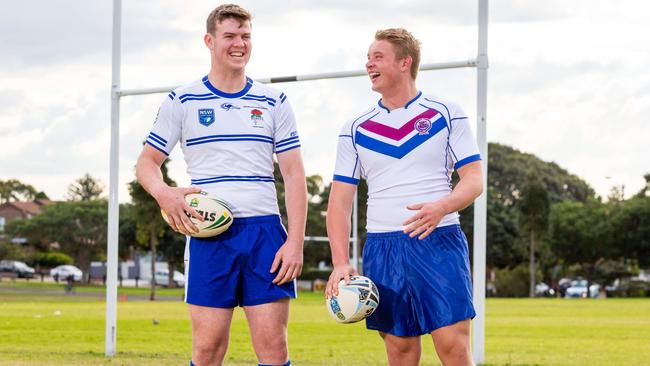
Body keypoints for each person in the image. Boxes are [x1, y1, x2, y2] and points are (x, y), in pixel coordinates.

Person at [135, 4, 307, 366]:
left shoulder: (273, 100)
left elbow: (293, 175)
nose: (239, 44)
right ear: (210, 41)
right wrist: (165, 194)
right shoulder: (182, 100)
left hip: (265, 235)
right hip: (209, 237)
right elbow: (147, 164)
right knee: (208, 349)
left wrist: (295, 242)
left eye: (245, 36)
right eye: (230, 36)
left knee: (274, 349)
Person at [325, 28, 483, 366]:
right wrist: (340, 261)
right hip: (384, 247)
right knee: (400, 350)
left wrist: (442, 206)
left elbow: (474, 180)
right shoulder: (355, 128)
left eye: (377, 57)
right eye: (368, 58)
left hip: (438, 241)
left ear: (405, 62)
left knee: (453, 347)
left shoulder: (445, 113)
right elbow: (339, 202)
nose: (369, 64)